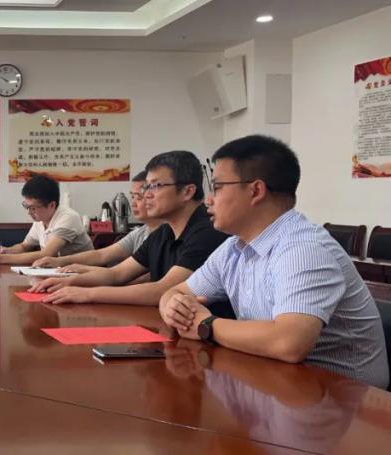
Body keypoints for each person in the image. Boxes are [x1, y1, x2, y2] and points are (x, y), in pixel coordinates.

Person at [160, 135, 388, 389]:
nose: (208, 200)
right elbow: (175, 292)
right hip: (276, 382)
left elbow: (289, 343)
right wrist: (174, 308)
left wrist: (206, 325)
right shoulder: (233, 248)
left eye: (218, 187)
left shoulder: (303, 249)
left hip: (344, 400)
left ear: (256, 191)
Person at [30, 151, 229, 306]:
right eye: (146, 187)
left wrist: (87, 294)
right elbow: (116, 274)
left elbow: (164, 290)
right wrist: (68, 283)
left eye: (156, 186)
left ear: (187, 191)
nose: (147, 195)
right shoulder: (163, 232)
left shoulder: (207, 232)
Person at [32, 170, 161, 271]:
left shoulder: (165, 236)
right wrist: (59, 262)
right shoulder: (140, 233)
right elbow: (102, 255)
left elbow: (143, 279)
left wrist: (89, 274)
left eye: (139, 197)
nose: (132, 204)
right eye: (132, 197)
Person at [0, 175, 93, 265]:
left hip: (85, 272)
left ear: (51, 205)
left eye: (33, 208)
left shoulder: (68, 217)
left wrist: (1, 259)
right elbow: (24, 246)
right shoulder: (40, 220)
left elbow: (47, 254)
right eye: (26, 206)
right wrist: (6, 251)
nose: (29, 212)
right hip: (60, 271)